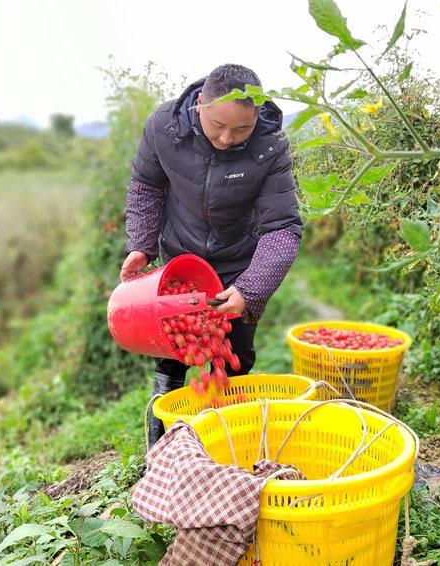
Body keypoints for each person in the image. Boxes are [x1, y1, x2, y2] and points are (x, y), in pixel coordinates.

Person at [119, 64, 303, 447]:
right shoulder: (164, 128)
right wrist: (141, 244)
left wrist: (250, 290)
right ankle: (161, 451)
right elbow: (146, 186)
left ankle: (230, 447)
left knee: (234, 355)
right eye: (218, 124)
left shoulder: (270, 147)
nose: (225, 138)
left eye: (241, 130)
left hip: (239, 268)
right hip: (180, 265)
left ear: (257, 116)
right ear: (200, 104)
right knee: (171, 355)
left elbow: (282, 228)